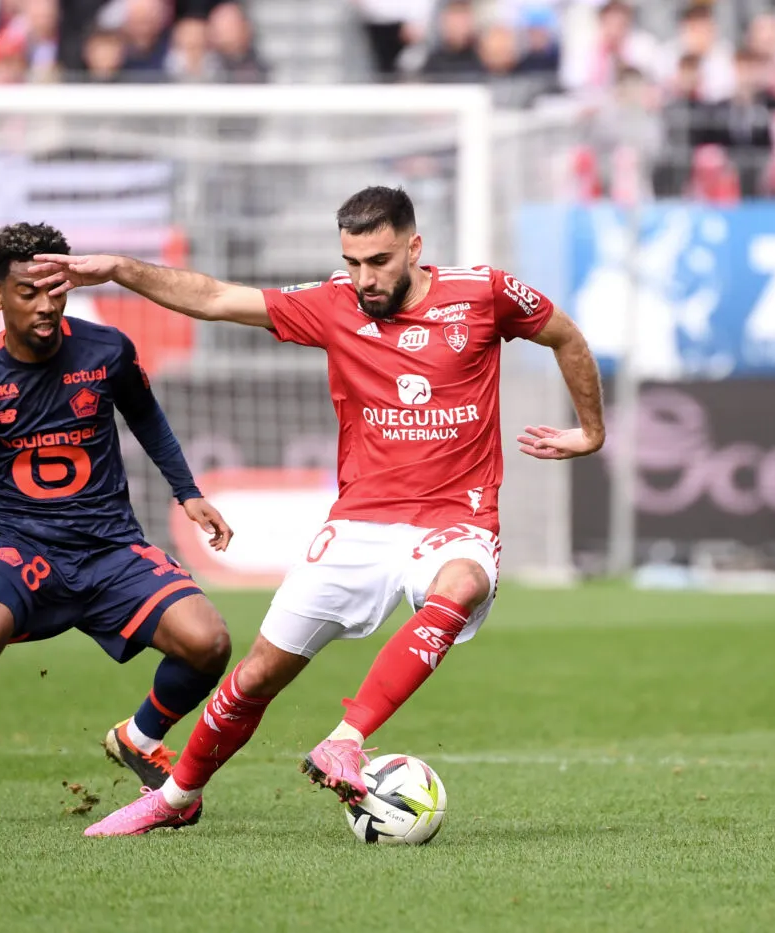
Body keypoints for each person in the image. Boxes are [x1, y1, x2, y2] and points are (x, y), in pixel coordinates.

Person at [31, 187, 605, 836]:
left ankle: (347, 737)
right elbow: (218, 299)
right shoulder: (334, 303)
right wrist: (120, 269)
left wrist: (591, 431)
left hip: (457, 519)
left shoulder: (482, 294)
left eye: (379, 261)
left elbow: (564, 335)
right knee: (256, 675)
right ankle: (176, 797)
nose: (364, 278)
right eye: (352, 261)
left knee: (463, 584)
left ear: (414, 248)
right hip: (360, 522)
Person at [0, 222, 235, 826]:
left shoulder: (107, 350)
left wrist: (188, 492)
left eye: (55, 290)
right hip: (18, 544)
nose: (45, 306)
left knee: (210, 643)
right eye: (27, 293)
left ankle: (139, 738)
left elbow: (148, 418)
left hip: (108, 546)